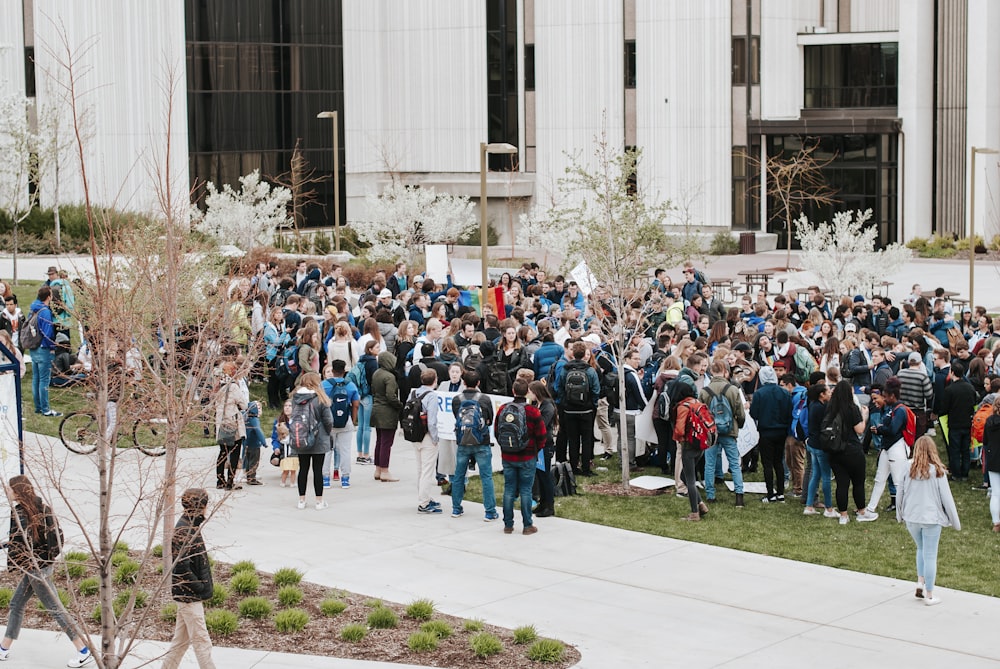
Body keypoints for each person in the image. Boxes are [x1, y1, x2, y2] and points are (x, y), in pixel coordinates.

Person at [0, 475, 94, 667]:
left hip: (37, 570)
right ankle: (4, 648)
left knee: (55, 609)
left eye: (9, 489)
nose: (7, 492)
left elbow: (24, 543)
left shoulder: (22, 513)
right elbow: (35, 541)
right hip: (40, 566)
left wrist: (20, 556)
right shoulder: (41, 508)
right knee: (16, 603)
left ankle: (83, 650)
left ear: (18, 491)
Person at [896, 436, 961, 606]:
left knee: (921, 548)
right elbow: (947, 499)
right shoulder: (937, 471)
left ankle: (920, 582)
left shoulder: (907, 467)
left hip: (911, 516)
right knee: (930, 554)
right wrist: (955, 522)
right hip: (931, 518)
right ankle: (930, 594)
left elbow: (900, 493)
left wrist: (899, 513)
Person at [161, 488, 217, 669]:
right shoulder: (184, 530)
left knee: (180, 644)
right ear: (201, 507)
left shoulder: (190, 526)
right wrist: (200, 586)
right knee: (202, 643)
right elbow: (182, 567)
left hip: (186, 595)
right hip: (189, 597)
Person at [496, 378, 547, 535]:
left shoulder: (503, 409)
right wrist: (537, 449)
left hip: (508, 456)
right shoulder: (532, 411)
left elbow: (497, 432)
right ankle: (527, 525)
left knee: (509, 489)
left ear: (513, 391)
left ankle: (508, 524)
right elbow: (542, 435)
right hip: (527, 456)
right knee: (526, 490)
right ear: (527, 393)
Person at [825, 380, 878, 524]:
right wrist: (864, 416)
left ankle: (843, 515)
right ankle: (861, 511)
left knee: (841, 484)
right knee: (858, 482)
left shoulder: (830, 408)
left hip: (835, 450)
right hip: (852, 448)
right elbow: (860, 429)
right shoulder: (852, 408)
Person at [450, 370, 499, 521]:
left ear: (463, 382)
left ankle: (456, 509)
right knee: (486, 477)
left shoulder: (457, 399)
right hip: (481, 441)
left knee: (458, 476)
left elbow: (456, 417)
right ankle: (490, 511)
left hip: (463, 441)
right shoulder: (484, 399)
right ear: (478, 383)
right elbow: (490, 419)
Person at [700, 360, 746, 507]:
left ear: (711, 372)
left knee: (710, 463)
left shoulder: (704, 391)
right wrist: (739, 424)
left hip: (711, 432)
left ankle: (710, 494)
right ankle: (739, 495)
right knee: (734, 463)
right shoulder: (732, 389)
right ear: (725, 371)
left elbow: (701, 414)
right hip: (729, 430)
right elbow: (740, 412)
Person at [863, 378, 911, 517]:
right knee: (880, 479)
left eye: (884, 396)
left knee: (898, 481)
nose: (882, 398)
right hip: (888, 447)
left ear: (892, 396)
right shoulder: (892, 409)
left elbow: (893, 429)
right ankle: (871, 508)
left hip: (897, 448)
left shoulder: (900, 410)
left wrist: (880, 429)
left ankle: (905, 511)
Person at [552, 342, 600, 476]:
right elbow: (596, 390)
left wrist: (565, 402)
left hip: (569, 410)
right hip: (586, 410)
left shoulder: (565, 369)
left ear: (573, 353)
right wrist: (592, 404)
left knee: (573, 440)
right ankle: (586, 468)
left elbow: (559, 388)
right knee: (586, 439)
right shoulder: (590, 370)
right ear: (585, 354)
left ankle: (573, 467)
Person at [290, 371, 334, 510]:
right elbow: (329, 420)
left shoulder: (295, 398)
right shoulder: (320, 398)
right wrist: (327, 433)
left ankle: (301, 500)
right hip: (318, 438)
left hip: (301, 438)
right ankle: (319, 501)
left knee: (303, 469)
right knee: (317, 470)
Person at [749, 366, 792, 503]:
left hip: (766, 431)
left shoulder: (759, 394)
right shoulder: (784, 393)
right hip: (781, 431)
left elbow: (753, 413)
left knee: (767, 463)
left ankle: (770, 493)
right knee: (778, 461)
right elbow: (789, 411)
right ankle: (780, 493)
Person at [321, 360, 359, 490]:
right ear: (344, 371)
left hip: (327, 422)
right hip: (345, 421)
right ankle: (345, 479)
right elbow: (356, 404)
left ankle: (325, 479)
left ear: (332, 371)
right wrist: (353, 420)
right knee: (345, 451)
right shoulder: (351, 385)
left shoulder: (324, 385)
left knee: (326, 450)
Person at [409, 368, 442, 513]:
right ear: (435, 380)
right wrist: (435, 438)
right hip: (427, 436)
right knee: (427, 471)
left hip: (414, 434)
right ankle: (423, 503)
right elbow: (432, 421)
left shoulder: (413, 393)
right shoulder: (432, 396)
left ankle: (424, 496)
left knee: (420, 469)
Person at [803, 382, 837, 517]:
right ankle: (829, 508)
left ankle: (809, 505)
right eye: (828, 391)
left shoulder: (814, 405)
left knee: (816, 475)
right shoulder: (822, 408)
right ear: (822, 395)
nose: (830, 393)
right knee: (826, 477)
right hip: (820, 446)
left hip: (812, 444)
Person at [939, 360, 977, 480]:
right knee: (965, 450)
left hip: (954, 424)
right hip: (967, 423)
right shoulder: (970, 388)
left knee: (954, 450)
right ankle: (965, 473)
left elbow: (944, 408)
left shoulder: (950, 390)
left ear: (952, 372)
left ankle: (956, 474)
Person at [27, 286, 61, 417]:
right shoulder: (45, 311)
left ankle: (38, 407)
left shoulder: (33, 308)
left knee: (36, 378)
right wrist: (52, 348)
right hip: (43, 348)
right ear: (49, 297)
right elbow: (47, 333)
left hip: (34, 347)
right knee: (44, 380)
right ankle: (46, 409)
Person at [370, 351, 403, 482]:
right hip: (387, 412)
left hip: (377, 408)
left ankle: (378, 469)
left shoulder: (376, 373)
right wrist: (400, 405)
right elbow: (391, 396)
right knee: (386, 443)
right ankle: (385, 470)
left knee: (380, 441)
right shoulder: (390, 377)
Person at [214, 362, 247, 490]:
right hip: (232, 423)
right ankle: (230, 481)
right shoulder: (233, 387)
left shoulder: (218, 387)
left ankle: (219, 480)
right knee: (234, 453)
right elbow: (243, 404)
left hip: (221, 423)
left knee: (222, 452)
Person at [528, 380, 557, 517]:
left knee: (546, 477)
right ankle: (542, 503)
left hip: (545, 445)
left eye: (531, 392)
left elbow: (542, 425)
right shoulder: (537, 404)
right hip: (537, 445)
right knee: (539, 475)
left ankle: (549, 506)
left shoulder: (548, 406)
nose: (529, 394)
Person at [981, 397, 1000, 532]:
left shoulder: (989, 421)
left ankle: (996, 522)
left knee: (996, 493)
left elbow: (985, 441)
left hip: (993, 458)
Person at [242, 401, 267, 485]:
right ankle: (252, 478)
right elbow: (258, 431)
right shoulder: (255, 420)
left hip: (246, 444)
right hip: (254, 444)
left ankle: (248, 476)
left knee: (248, 461)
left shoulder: (245, 418)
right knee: (254, 462)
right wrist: (263, 442)